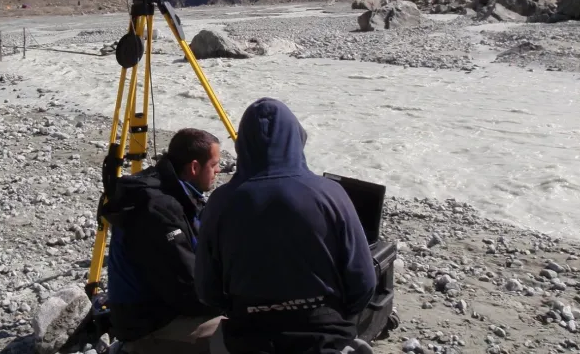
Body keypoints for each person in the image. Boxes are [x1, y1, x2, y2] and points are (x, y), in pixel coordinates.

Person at [194, 98, 377, 354]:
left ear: (242, 144)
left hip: (249, 337)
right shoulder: (331, 194)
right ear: (297, 139)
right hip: (325, 335)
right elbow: (364, 281)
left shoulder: (221, 202)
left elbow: (207, 289)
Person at [101, 128, 225, 354]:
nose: (219, 170)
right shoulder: (158, 210)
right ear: (195, 167)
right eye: (214, 164)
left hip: (158, 311)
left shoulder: (172, 190)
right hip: (149, 327)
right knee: (244, 335)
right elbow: (187, 290)